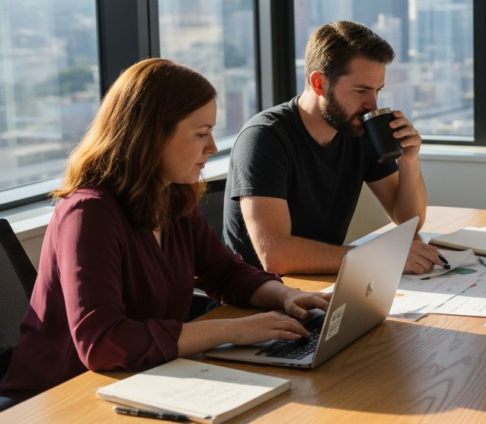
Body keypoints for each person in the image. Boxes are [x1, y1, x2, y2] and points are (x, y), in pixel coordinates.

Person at [0, 59, 328, 403]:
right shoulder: (88, 214)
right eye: (201, 133)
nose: (213, 147)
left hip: (146, 379)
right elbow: (102, 343)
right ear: (152, 136)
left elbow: (222, 271)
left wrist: (285, 296)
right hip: (58, 397)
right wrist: (231, 330)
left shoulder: (170, 196)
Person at [222, 21, 436, 275]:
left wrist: (410, 161)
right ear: (319, 83)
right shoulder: (264, 138)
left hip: (321, 286)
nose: (372, 104)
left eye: (377, 90)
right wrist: (381, 256)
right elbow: (275, 255)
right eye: (361, 91)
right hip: (258, 301)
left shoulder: (357, 129)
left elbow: (409, 223)